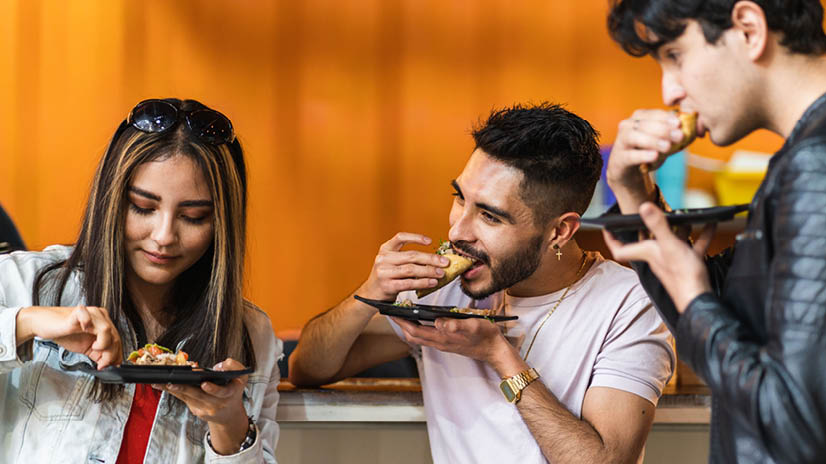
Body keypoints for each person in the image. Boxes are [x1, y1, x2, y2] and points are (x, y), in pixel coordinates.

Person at [289, 103, 674, 464]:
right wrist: (368, 294)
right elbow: (308, 369)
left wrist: (498, 355)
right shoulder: (444, 291)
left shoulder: (629, 302)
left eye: (490, 217)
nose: (458, 231)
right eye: (460, 198)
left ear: (560, 230)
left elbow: (604, 460)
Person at [0, 98, 282, 463]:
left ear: (221, 227)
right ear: (112, 201)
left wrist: (229, 424)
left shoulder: (250, 336)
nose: (164, 235)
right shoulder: (28, 283)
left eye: (194, 217)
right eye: (143, 208)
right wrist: (28, 322)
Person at [604, 1, 826, 462]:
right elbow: (734, 317)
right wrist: (631, 191)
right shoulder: (799, 157)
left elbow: (796, 426)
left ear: (748, 29)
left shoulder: (814, 166)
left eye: (674, 55)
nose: (668, 91)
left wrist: (694, 298)